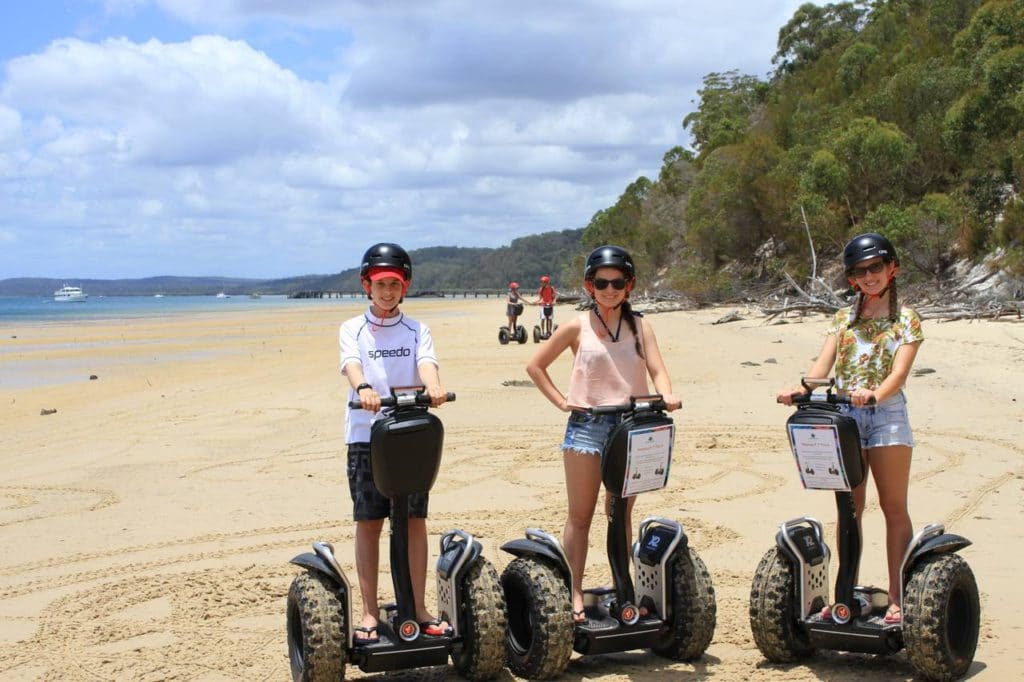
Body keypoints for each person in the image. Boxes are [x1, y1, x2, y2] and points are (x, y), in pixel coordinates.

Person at [525, 245, 681, 623]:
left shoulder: (640, 325)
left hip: (633, 424)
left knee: (621, 513)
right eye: (601, 282)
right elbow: (535, 366)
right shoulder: (576, 325)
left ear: (629, 286)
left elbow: (657, 368)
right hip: (588, 427)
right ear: (589, 285)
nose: (609, 289)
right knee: (581, 515)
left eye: (617, 282)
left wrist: (667, 393)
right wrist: (563, 401)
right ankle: (574, 591)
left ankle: (620, 585)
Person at [777, 232, 923, 626]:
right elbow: (822, 366)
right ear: (852, 278)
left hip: (886, 414)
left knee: (893, 507)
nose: (870, 276)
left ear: (892, 268)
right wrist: (801, 389)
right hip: (845, 417)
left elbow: (899, 374)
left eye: (876, 267)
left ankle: (897, 596)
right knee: (849, 508)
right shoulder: (843, 319)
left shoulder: (905, 319)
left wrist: (874, 395)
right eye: (860, 271)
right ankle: (846, 595)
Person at [339, 242, 451, 643]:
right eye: (380, 283)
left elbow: (427, 363)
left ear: (406, 286)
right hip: (366, 437)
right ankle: (370, 611)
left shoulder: (417, 330)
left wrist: (434, 387)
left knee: (415, 521)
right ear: (366, 285)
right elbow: (351, 363)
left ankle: (418, 608)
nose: (388, 291)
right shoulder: (352, 328)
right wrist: (364, 387)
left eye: (395, 284)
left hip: (410, 436)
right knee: (369, 522)